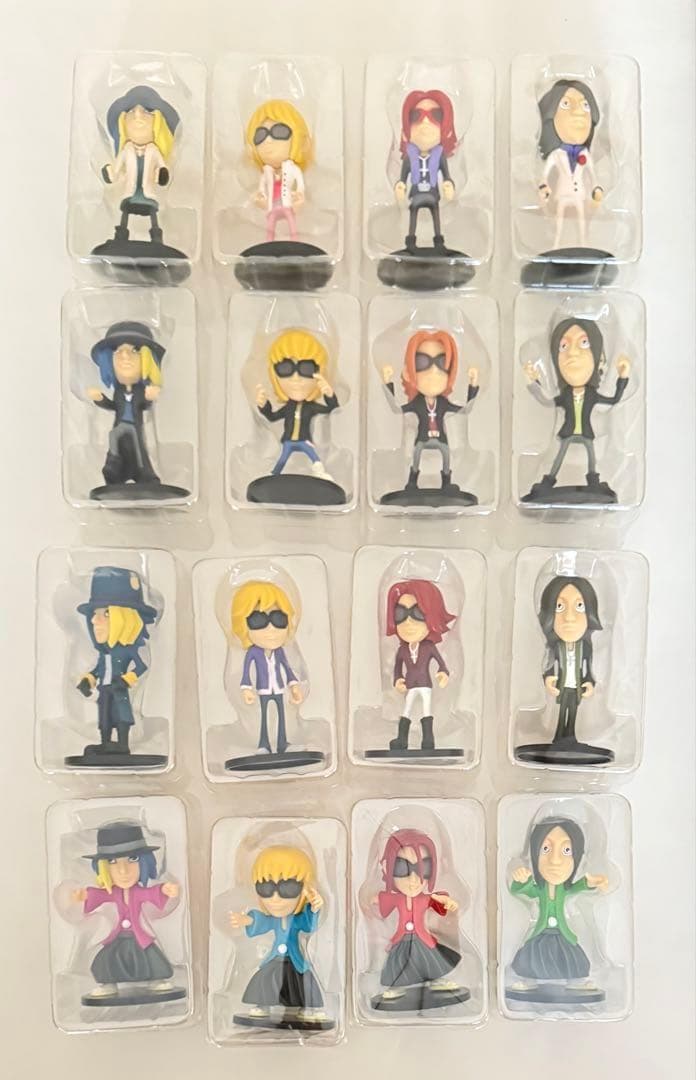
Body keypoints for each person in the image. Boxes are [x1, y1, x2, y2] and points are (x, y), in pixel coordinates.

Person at [72, 821, 183, 1004]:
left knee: (150, 958)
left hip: (138, 936)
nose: (123, 870)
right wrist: (84, 895)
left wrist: (165, 890)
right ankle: (108, 983)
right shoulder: (112, 892)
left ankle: (156, 979)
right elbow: (99, 895)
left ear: (144, 861)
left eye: (132, 859)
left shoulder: (138, 892)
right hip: (120, 936)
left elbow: (151, 893)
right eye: (112, 862)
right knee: (107, 959)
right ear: (102, 867)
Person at [523, 317, 630, 499]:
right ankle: (548, 482)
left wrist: (622, 377)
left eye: (584, 343)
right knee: (558, 458)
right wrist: (533, 381)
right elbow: (546, 401)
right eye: (563, 346)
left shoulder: (592, 395)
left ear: (598, 356)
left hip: (586, 433)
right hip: (567, 433)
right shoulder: (565, 395)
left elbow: (614, 399)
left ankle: (594, 483)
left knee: (592, 460)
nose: (572, 353)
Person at [229, 845, 330, 1026]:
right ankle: (263, 1005)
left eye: (288, 888)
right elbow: (262, 921)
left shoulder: (297, 919)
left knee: (300, 983)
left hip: (294, 959)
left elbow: (308, 925)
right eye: (266, 888)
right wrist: (247, 920)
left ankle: (306, 1007)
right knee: (266, 979)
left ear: (304, 889)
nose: (275, 898)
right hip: (275, 958)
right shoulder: (273, 920)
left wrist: (315, 907)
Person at [509, 817, 608, 992]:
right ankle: (529, 980)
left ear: (576, 857)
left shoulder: (565, 889)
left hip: (562, 932)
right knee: (533, 955)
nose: (555, 860)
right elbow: (525, 890)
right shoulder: (540, 888)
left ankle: (575, 982)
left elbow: (576, 888)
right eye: (546, 849)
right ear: (535, 854)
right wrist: (522, 880)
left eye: (566, 850)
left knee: (570, 956)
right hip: (542, 931)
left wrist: (590, 883)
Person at [373, 828, 462, 1007]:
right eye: (402, 868)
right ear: (389, 868)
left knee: (430, 960)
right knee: (399, 963)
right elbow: (380, 900)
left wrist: (447, 902)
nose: (413, 879)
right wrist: (372, 899)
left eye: (424, 868)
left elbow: (437, 899)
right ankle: (397, 986)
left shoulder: (424, 898)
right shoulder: (397, 898)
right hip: (402, 939)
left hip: (422, 938)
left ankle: (434, 981)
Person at [382, 330, 478, 494]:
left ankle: (446, 483)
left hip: (440, 439)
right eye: (422, 362)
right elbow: (396, 409)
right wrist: (387, 382)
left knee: (446, 455)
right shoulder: (417, 403)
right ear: (409, 372)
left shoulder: (443, 403)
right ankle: (412, 482)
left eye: (442, 363)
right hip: (422, 438)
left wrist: (473, 384)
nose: (434, 371)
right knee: (416, 455)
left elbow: (466, 409)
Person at [76, 566, 157, 755]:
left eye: (105, 614)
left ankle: (122, 744)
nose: (94, 621)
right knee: (104, 717)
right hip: (104, 690)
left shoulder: (127, 649)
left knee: (121, 716)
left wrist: (126, 680)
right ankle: (105, 743)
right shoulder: (104, 653)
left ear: (125, 618)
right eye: (94, 614)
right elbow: (98, 669)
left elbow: (141, 666)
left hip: (119, 689)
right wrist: (88, 679)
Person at [87, 320, 166, 491]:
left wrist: (150, 397)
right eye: (118, 351)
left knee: (138, 448)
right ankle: (113, 467)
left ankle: (144, 473)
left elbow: (145, 405)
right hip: (121, 425)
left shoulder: (139, 391)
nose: (125, 357)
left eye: (134, 351)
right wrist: (99, 399)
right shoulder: (118, 392)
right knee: (114, 435)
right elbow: (112, 406)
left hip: (134, 428)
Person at [255, 328, 339, 483]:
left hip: (304, 440)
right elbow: (272, 417)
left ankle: (319, 472)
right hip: (288, 441)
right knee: (282, 458)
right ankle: (274, 475)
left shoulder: (311, 407)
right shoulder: (288, 407)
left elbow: (331, 410)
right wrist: (264, 405)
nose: (296, 377)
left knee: (314, 456)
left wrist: (329, 395)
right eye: (285, 368)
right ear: (274, 374)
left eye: (306, 368)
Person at [231, 580, 304, 756]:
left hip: (278, 688)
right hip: (263, 689)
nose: (271, 629)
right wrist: (246, 689)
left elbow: (287, 668)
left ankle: (282, 744)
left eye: (279, 619)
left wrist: (294, 685)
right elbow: (246, 671)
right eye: (258, 621)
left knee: (281, 717)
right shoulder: (253, 652)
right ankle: (263, 744)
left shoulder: (279, 651)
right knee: (263, 717)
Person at [100, 85, 180, 244]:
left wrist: (162, 175)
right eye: (131, 112)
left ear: (158, 124)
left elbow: (162, 169)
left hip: (148, 192)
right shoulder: (126, 150)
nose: (137, 115)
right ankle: (121, 236)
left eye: (146, 112)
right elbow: (117, 170)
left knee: (152, 214)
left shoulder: (154, 151)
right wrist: (110, 174)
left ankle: (156, 239)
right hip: (129, 192)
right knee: (125, 213)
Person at [386, 578, 455, 751]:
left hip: (425, 685)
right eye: (400, 615)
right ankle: (401, 740)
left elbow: (441, 663)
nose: (408, 622)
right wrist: (397, 679)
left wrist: (443, 673)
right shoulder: (402, 650)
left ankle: (428, 741)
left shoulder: (429, 647)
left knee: (426, 711)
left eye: (417, 613)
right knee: (406, 710)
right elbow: (397, 667)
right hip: (411, 685)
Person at [537, 79, 603, 249]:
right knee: (558, 223)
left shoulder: (585, 154)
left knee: (582, 222)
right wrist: (543, 186)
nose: (578, 112)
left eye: (585, 106)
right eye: (566, 104)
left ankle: (583, 244)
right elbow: (544, 175)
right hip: (562, 193)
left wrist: (596, 189)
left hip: (579, 194)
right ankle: (555, 246)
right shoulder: (556, 155)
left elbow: (593, 175)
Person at [394, 90, 457, 252]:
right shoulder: (409, 158)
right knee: (413, 211)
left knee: (435, 212)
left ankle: (438, 241)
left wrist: (449, 185)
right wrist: (400, 186)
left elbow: (446, 176)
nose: (426, 122)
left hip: (433, 194)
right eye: (416, 116)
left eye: (436, 115)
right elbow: (402, 178)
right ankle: (410, 242)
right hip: (416, 194)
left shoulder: (439, 156)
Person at [246, 100, 312, 243]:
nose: (268, 140)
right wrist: (260, 198)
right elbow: (261, 190)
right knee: (270, 227)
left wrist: (299, 194)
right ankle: (269, 243)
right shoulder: (266, 172)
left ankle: (295, 242)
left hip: (287, 204)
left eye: (279, 131)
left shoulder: (293, 169)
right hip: (272, 205)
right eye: (260, 135)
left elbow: (300, 185)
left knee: (292, 224)